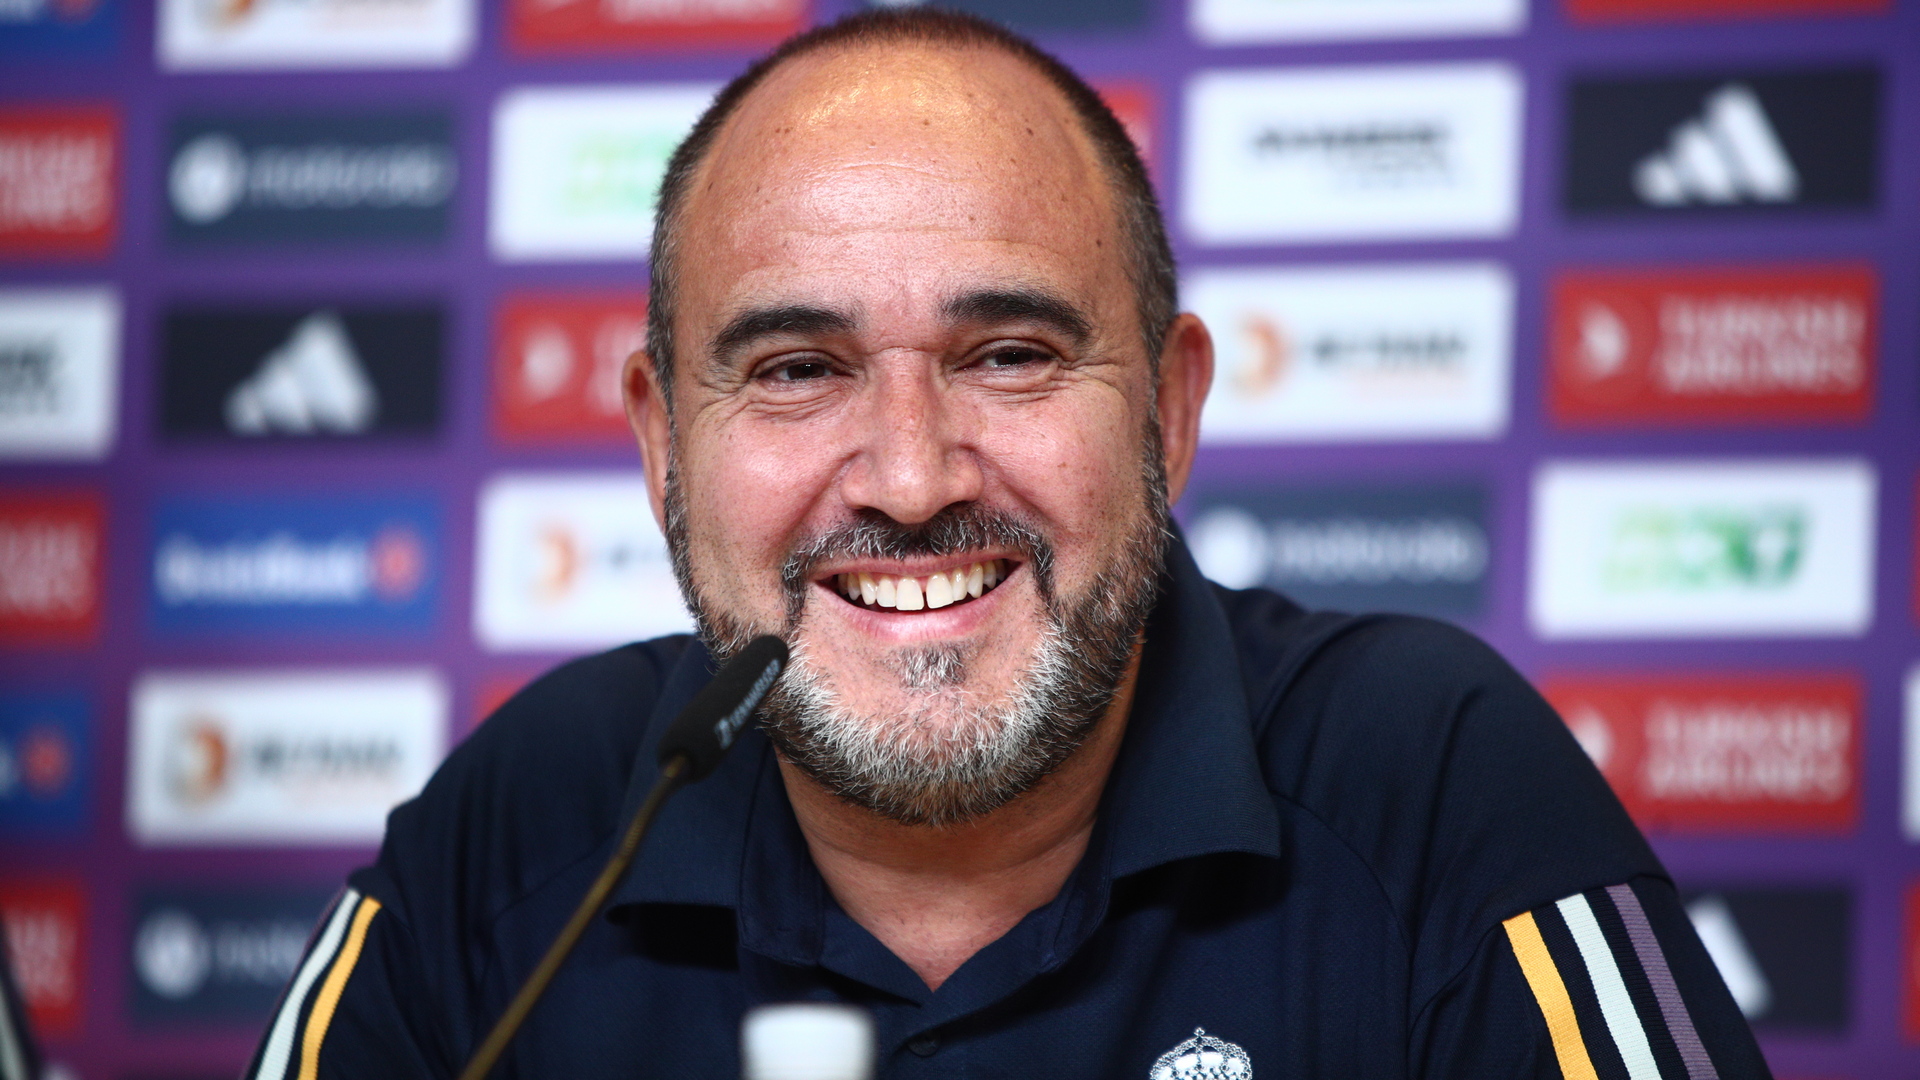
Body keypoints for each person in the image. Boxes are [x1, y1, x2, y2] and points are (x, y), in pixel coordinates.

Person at [246, 10, 1769, 1079]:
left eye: (1011, 357)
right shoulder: (523, 827)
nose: (910, 479)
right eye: (798, 370)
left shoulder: (1431, 776)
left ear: (1167, 411)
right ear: (660, 446)